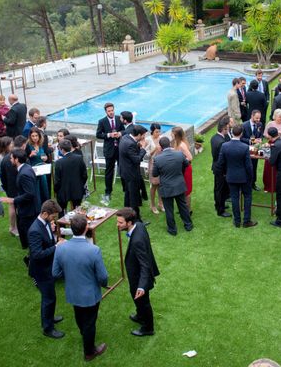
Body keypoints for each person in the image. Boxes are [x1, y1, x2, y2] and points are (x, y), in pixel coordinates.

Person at [52, 214, 108, 361]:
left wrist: (71, 276)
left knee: (80, 317)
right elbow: (103, 277)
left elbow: (55, 273)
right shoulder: (93, 250)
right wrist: (103, 285)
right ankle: (89, 352)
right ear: (86, 228)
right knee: (90, 322)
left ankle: (85, 335)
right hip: (90, 294)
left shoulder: (61, 248)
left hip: (73, 292)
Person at [116, 207, 160, 337]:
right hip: (137, 274)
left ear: (129, 223)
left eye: (120, 222)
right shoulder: (139, 225)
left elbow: (145, 265)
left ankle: (148, 328)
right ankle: (140, 315)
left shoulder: (137, 241)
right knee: (136, 297)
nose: (117, 225)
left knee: (143, 301)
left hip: (140, 276)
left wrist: (142, 286)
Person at [27, 200, 65, 339]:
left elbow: (47, 241)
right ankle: (48, 328)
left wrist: (54, 238)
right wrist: (56, 247)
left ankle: (50, 317)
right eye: (53, 217)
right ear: (44, 213)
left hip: (48, 267)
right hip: (41, 270)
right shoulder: (35, 231)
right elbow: (37, 255)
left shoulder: (45, 223)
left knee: (51, 297)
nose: (53, 219)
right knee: (48, 298)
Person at [216, 124, 257, 228]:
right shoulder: (244, 147)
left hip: (231, 176)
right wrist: (251, 177)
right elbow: (249, 166)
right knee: (247, 197)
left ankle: (237, 221)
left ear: (232, 133)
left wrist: (225, 173)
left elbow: (220, 163)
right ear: (241, 134)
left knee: (235, 198)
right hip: (244, 177)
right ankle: (246, 221)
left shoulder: (225, 146)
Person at [1, 149, 41, 252]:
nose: (10, 160)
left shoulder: (24, 174)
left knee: (29, 234)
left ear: (16, 159)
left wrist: (13, 200)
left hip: (29, 209)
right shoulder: (27, 168)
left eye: (11, 158)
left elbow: (30, 193)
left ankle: (33, 255)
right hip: (29, 207)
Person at [153, 137, 193, 235]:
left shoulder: (157, 159)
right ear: (170, 145)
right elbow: (186, 164)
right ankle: (188, 225)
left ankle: (172, 230)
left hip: (167, 188)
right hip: (179, 185)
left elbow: (155, 174)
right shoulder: (179, 154)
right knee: (183, 206)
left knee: (169, 209)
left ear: (161, 147)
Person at [95, 102, 125, 205]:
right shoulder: (102, 121)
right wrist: (109, 135)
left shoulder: (118, 119)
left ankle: (126, 190)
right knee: (109, 172)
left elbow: (124, 130)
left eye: (112, 110)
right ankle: (108, 192)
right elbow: (98, 134)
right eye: (109, 111)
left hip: (120, 149)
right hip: (109, 150)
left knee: (123, 169)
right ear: (106, 112)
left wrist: (119, 134)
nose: (111, 112)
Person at [0, 136, 26, 237]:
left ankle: (13, 227)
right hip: (19, 187)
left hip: (10, 187)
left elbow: (2, 176)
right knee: (18, 207)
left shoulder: (5, 158)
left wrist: (6, 187)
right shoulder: (22, 156)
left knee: (12, 206)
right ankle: (16, 227)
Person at [119, 125, 147, 221]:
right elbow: (137, 160)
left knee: (128, 196)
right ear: (138, 135)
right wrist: (143, 149)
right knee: (134, 198)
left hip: (124, 172)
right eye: (143, 135)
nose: (144, 137)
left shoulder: (125, 137)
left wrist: (138, 145)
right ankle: (137, 220)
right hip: (131, 174)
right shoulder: (130, 144)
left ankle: (126, 214)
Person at [211, 117, 231, 218]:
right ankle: (220, 210)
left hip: (216, 167)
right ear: (224, 129)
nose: (228, 130)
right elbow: (222, 159)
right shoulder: (222, 142)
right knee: (220, 189)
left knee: (217, 188)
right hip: (221, 169)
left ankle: (218, 204)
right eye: (227, 129)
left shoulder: (214, 138)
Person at [172, 126, 193, 215]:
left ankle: (188, 210)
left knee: (187, 190)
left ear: (176, 134)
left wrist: (180, 161)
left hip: (186, 169)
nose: (171, 135)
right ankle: (183, 208)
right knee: (182, 189)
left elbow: (190, 157)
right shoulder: (177, 143)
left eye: (172, 134)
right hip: (181, 169)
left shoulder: (181, 145)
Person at [26, 127, 49, 205]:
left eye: (36, 136)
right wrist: (30, 155)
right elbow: (24, 159)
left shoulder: (40, 145)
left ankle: (45, 204)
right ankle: (38, 205)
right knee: (37, 188)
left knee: (44, 187)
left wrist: (45, 157)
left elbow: (44, 155)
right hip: (34, 170)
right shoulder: (28, 146)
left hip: (42, 169)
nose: (35, 138)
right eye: (33, 136)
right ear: (30, 136)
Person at [241, 110, 263, 190]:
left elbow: (260, 135)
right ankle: (245, 184)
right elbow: (241, 138)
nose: (258, 120)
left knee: (254, 166)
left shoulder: (260, 124)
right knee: (246, 167)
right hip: (246, 150)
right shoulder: (244, 125)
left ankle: (253, 183)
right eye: (257, 118)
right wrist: (252, 141)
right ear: (252, 116)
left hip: (255, 150)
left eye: (259, 118)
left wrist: (260, 139)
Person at [144, 124, 163, 215]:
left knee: (161, 185)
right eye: (156, 132)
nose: (158, 133)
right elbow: (146, 155)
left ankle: (160, 203)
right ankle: (152, 205)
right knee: (154, 185)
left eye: (159, 131)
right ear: (152, 131)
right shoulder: (148, 139)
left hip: (162, 164)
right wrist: (155, 149)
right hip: (153, 164)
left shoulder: (162, 138)